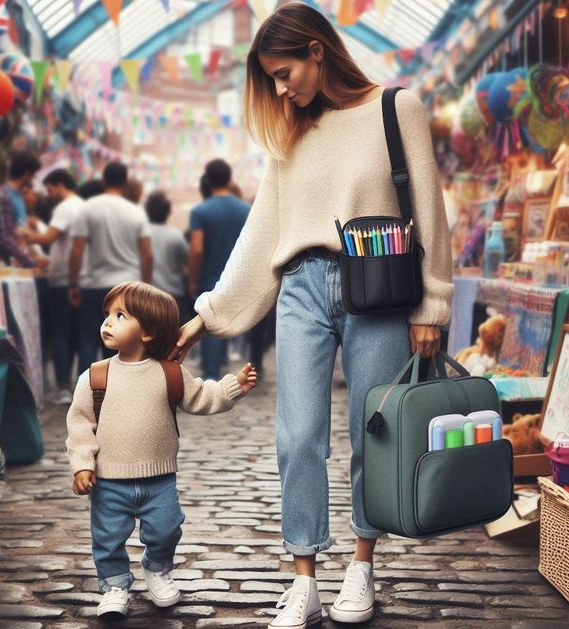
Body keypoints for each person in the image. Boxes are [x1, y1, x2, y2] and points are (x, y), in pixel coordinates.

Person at [170, 5, 453, 627]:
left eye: (284, 71)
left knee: (369, 433)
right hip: (301, 287)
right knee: (297, 436)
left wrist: (433, 301)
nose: (280, 88)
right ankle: (304, 576)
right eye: (270, 78)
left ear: (317, 51)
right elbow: (263, 229)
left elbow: (429, 207)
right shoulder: (290, 133)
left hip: (377, 290)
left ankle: (361, 564)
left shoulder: (395, 107)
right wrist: (207, 316)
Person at [65, 282, 258, 618]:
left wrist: (233, 387)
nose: (107, 322)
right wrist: (82, 464)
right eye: (107, 315)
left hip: (160, 479)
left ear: (149, 332)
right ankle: (113, 586)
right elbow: (80, 424)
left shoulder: (169, 373)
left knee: (167, 528)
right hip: (109, 480)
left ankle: (157, 567)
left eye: (120, 315)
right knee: (108, 537)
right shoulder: (95, 376)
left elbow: (201, 397)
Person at [68, 162, 154, 372]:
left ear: (103, 180)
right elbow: (147, 254)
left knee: (88, 339)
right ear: (126, 183)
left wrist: (72, 283)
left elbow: (77, 251)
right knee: (122, 341)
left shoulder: (87, 209)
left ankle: (88, 391)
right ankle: (117, 389)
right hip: (127, 287)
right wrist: (147, 286)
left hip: (94, 286)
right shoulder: (136, 212)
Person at [27, 169, 87, 404]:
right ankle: (82, 385)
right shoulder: (83, 205)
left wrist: (24, 235)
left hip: (63, 278)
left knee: (61, 333)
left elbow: (49, 239)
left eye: (50, 189)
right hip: (82, 278)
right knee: (79, 335)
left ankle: (63, 386)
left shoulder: (65, 207)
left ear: (60, 185)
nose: (49, 194)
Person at [188, 159, 251, 380]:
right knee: (227, 321)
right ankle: (221, 366)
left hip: (209, 277)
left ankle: (211, 374)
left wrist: (192, 279)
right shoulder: (246, 210)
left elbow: (196, 249)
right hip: (237, 277)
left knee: (209, 324)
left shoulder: (200, 211)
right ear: (229, 178)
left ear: (207, 180)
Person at [0, 152, 44, 268]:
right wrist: (30, 262)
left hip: (21, 266)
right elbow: (4, 239)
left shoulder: (18, 196)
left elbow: (20, 231)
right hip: (7, 267)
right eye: (34, 175)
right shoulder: (3, 195)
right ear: (27, 173)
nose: (33, 180)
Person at [144, 191, 191, 323]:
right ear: (168, 212)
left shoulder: (142, 234)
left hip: (146, 294)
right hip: (173, 294)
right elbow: (188, 261)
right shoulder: (175, 235)